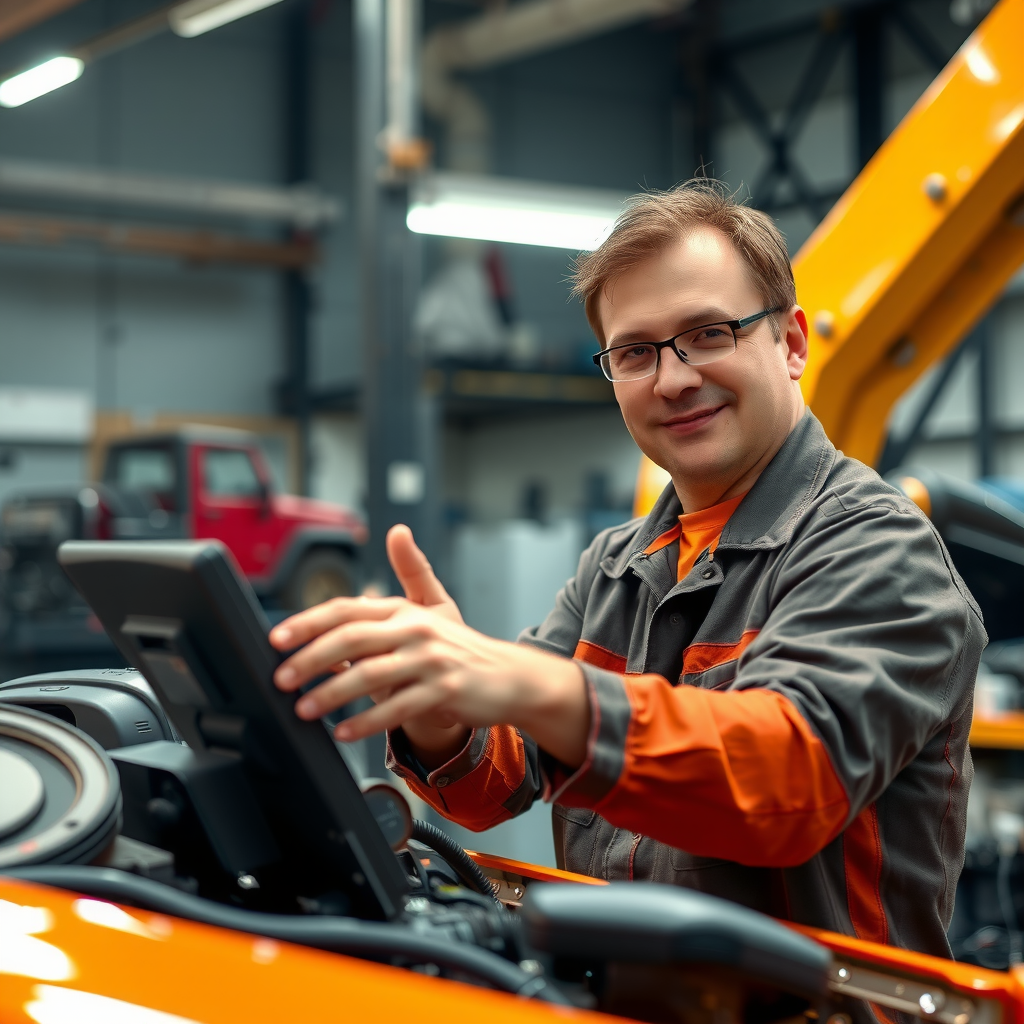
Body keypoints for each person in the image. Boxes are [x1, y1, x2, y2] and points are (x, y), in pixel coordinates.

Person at [270, 180, 983, 960]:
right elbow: (492, 786)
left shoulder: (875, 546)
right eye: (635, 352)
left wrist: (530, 683)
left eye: (708, 333)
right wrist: (440, 707)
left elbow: (784, 781)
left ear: (792, 343)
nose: (672, 378)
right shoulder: (619, 565)